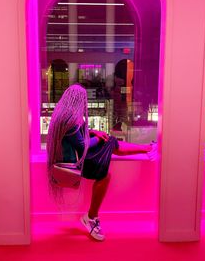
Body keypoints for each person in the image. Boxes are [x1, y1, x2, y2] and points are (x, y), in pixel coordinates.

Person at [47, 84, 156, 241]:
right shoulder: (69, 119)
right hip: (73, 164)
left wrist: (94, 132)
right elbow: (83, 145)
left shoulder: (64, 114)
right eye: (83, 100)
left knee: (109, 143)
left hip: (75, 158)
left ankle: (147, 148)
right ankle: (91, 217)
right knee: (105, 172)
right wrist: (97, 138)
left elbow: (77, 135)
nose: (85, 103)